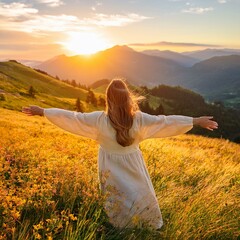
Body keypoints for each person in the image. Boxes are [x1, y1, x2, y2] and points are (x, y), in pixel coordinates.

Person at [22, 79, 218, 229]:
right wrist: (195, 121)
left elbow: (73, 118)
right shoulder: (139, 119)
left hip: (109, 163)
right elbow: (164, 121)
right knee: (139, 191)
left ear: (108, 99)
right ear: (128, 99)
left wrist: (43, 111)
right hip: (133, 162)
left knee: (115, 195)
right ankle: (149, 224)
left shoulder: (99, 120)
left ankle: (119, 227)